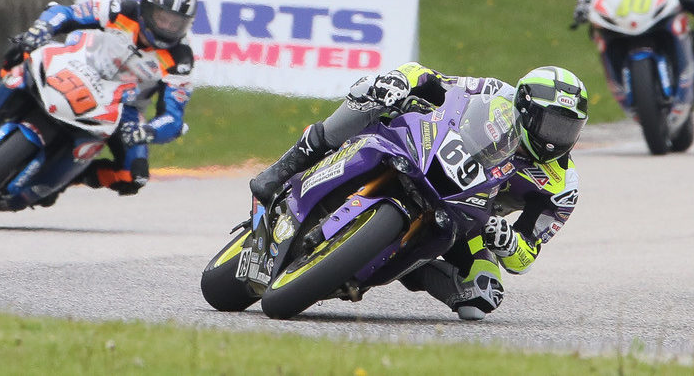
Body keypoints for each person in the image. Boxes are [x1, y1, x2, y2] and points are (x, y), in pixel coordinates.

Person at [248, 63, 588, 321]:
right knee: (372, 92)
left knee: (483, 295)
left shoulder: (562, 185)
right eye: (553, 124)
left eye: (569, 128)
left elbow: (527, 256)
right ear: (525, 110)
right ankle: (286, 167)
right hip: (427, 150)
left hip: (470, 218)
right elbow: (433, 79)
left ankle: (396, 260)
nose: (556, 138)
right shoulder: (498, 94)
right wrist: (401, 81)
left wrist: (507, 240)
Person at [0, 0, 198, 199]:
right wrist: (43, 28)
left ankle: (69, 177)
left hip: (123, 106)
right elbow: (65, 13)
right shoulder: (120, 9)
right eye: (162, 17)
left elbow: (173, 118)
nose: (166, 27)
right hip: (78, 65)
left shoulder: (181, 59)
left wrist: (148, 132)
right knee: (23, 47)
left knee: (135, 176)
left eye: (175, 23)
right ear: (147, 8)